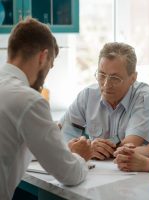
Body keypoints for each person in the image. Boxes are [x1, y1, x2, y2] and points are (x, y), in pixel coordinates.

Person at [0, 18, 93, 200]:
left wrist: (57, 146)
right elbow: (69, 174)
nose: (45, 79)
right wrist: (80, 156)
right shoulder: (29, 100)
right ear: (42, 57)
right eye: (50, 67)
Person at [59, 42, 149, 160]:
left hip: (135, 173)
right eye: (102, 75)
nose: (106, 85)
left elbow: (128, 147)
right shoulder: (88, 95)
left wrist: (88, 148)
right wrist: (73, 147)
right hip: (97, 171)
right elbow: (62, 134)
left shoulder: (144, 97)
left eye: (115, 78)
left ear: (133, 78)